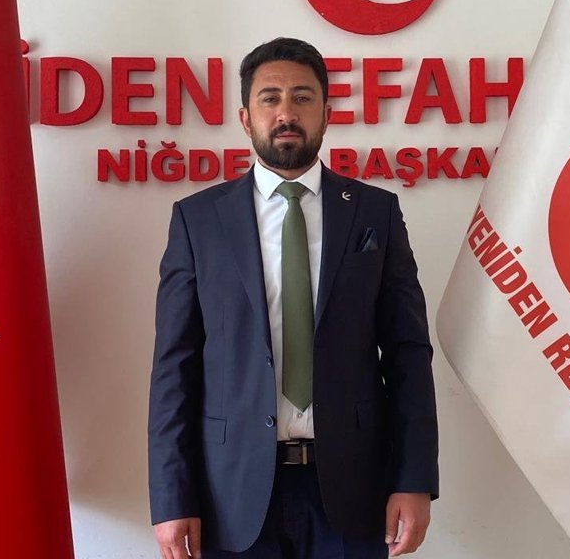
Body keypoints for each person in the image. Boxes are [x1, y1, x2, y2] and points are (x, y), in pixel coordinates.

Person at [148, 37, 439, 558]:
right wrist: (171, 497)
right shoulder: (198, 221)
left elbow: (408, 354)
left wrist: (414, 478)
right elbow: (175, 367)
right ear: (245, 118)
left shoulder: (375, 213)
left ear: (326, 113)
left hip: (353, 489)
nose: (286, 113)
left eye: (303, 98)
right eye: (270, 98)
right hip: (230, 493)